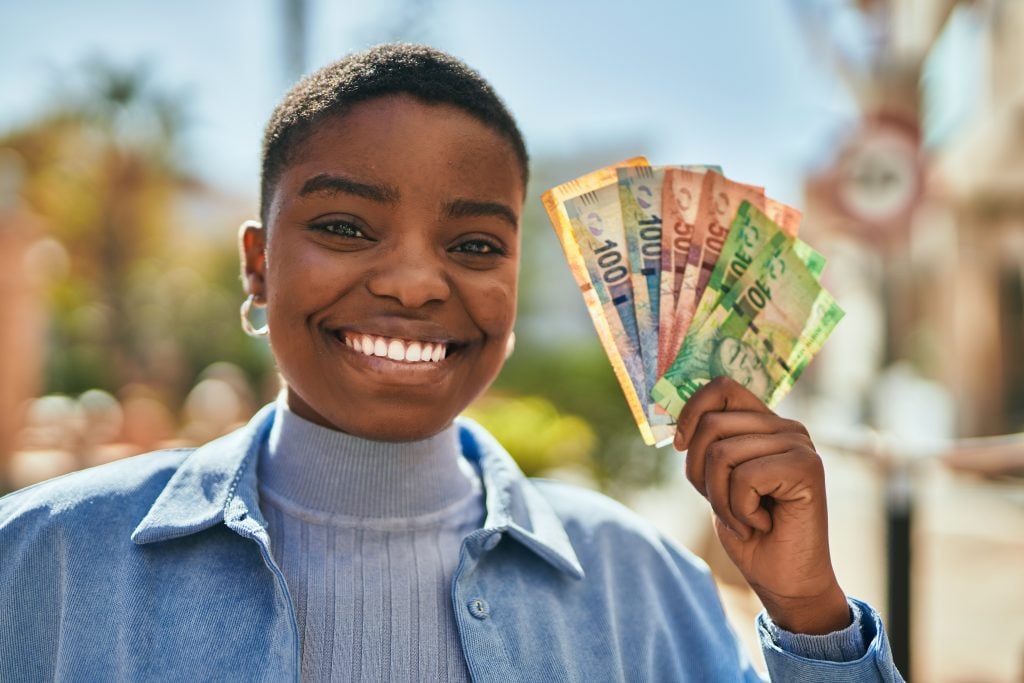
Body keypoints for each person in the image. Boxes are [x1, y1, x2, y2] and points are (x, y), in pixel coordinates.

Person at [0, 44, 903, 681]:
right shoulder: (44, 561)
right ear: (258, 263)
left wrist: (810, 613)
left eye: (474, 244)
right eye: (345, 226)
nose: (413, 282)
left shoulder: (646, 584)